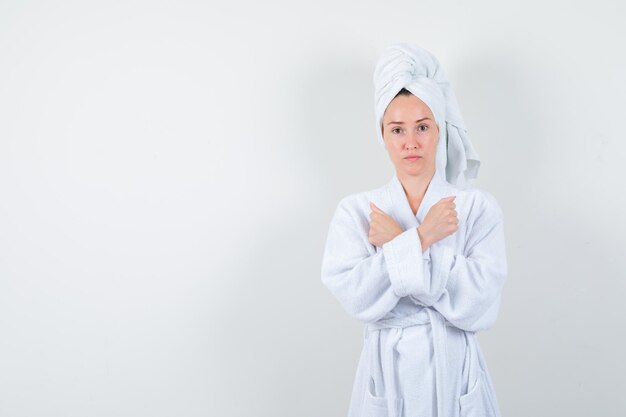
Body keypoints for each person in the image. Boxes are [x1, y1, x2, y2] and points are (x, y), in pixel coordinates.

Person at [320, 43, 508, 417]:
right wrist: (422, 238)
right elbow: (356, 297)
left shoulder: (475, 208)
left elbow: (481, 303)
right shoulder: (358, 212)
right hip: (387, 377)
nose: (411, 142)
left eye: (422, 126)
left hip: (455, 373)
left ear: (439, 130)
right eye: (397, 129)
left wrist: (397, 249)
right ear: (383, 136)